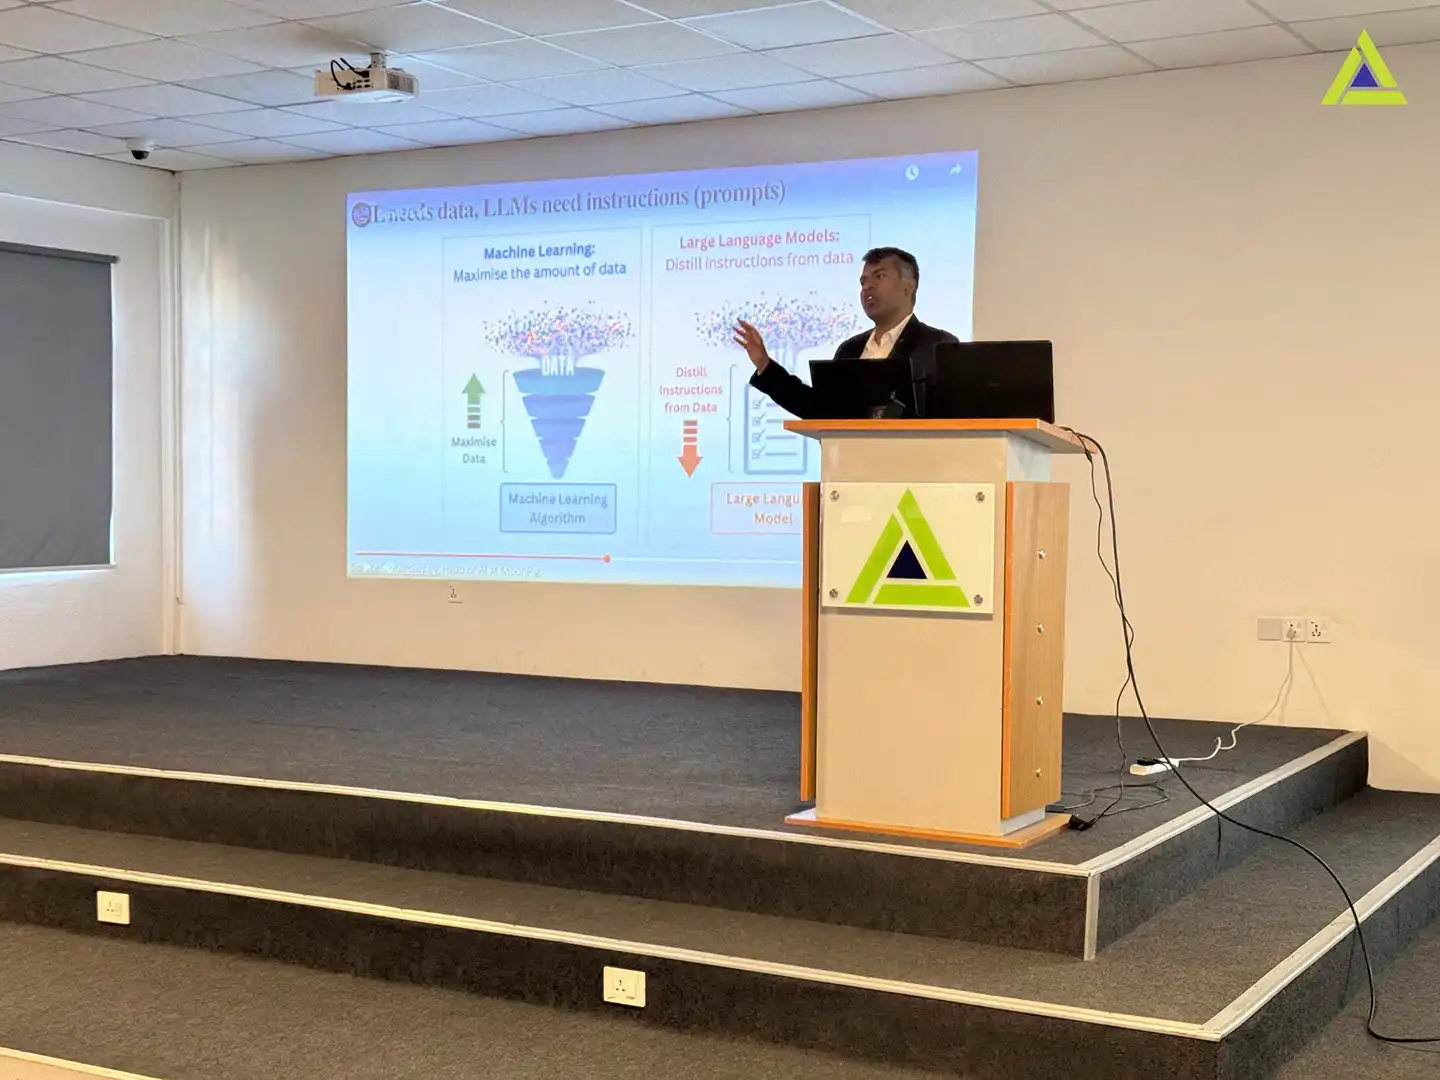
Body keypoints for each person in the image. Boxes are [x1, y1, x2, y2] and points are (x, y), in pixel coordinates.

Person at [734, 247, 958, 419]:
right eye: (863, 281)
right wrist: (764, 364)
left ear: (908, 286)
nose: (867, 286)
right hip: (848, 463)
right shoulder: (850, 349)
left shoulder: (937, 345)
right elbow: (820, 409)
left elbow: (950, 417)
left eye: (879, 276)